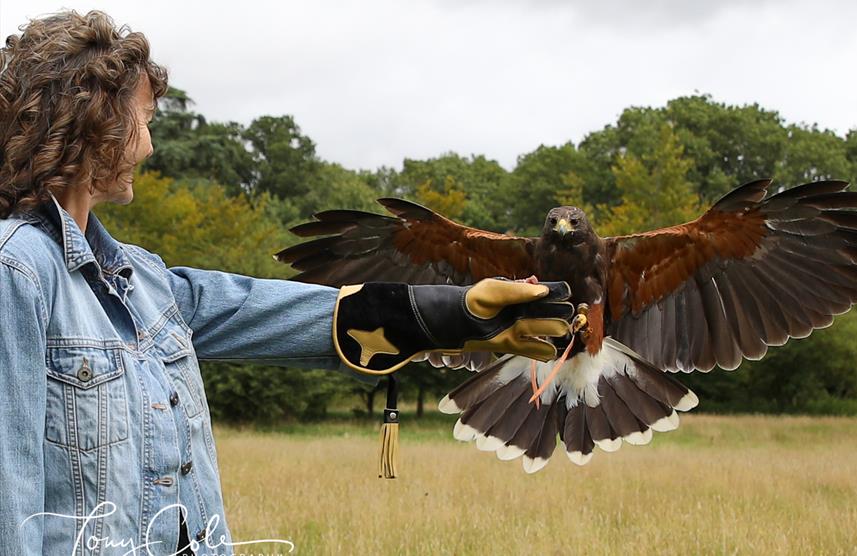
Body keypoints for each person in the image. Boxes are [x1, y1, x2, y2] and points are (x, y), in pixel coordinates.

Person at [0, 10, 573, 555]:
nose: (149, 145)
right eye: (143, 119)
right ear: (92, 118)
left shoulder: (140, 279)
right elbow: (11, 503)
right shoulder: (16, 272)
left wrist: (463, 314)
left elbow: (270, 312)